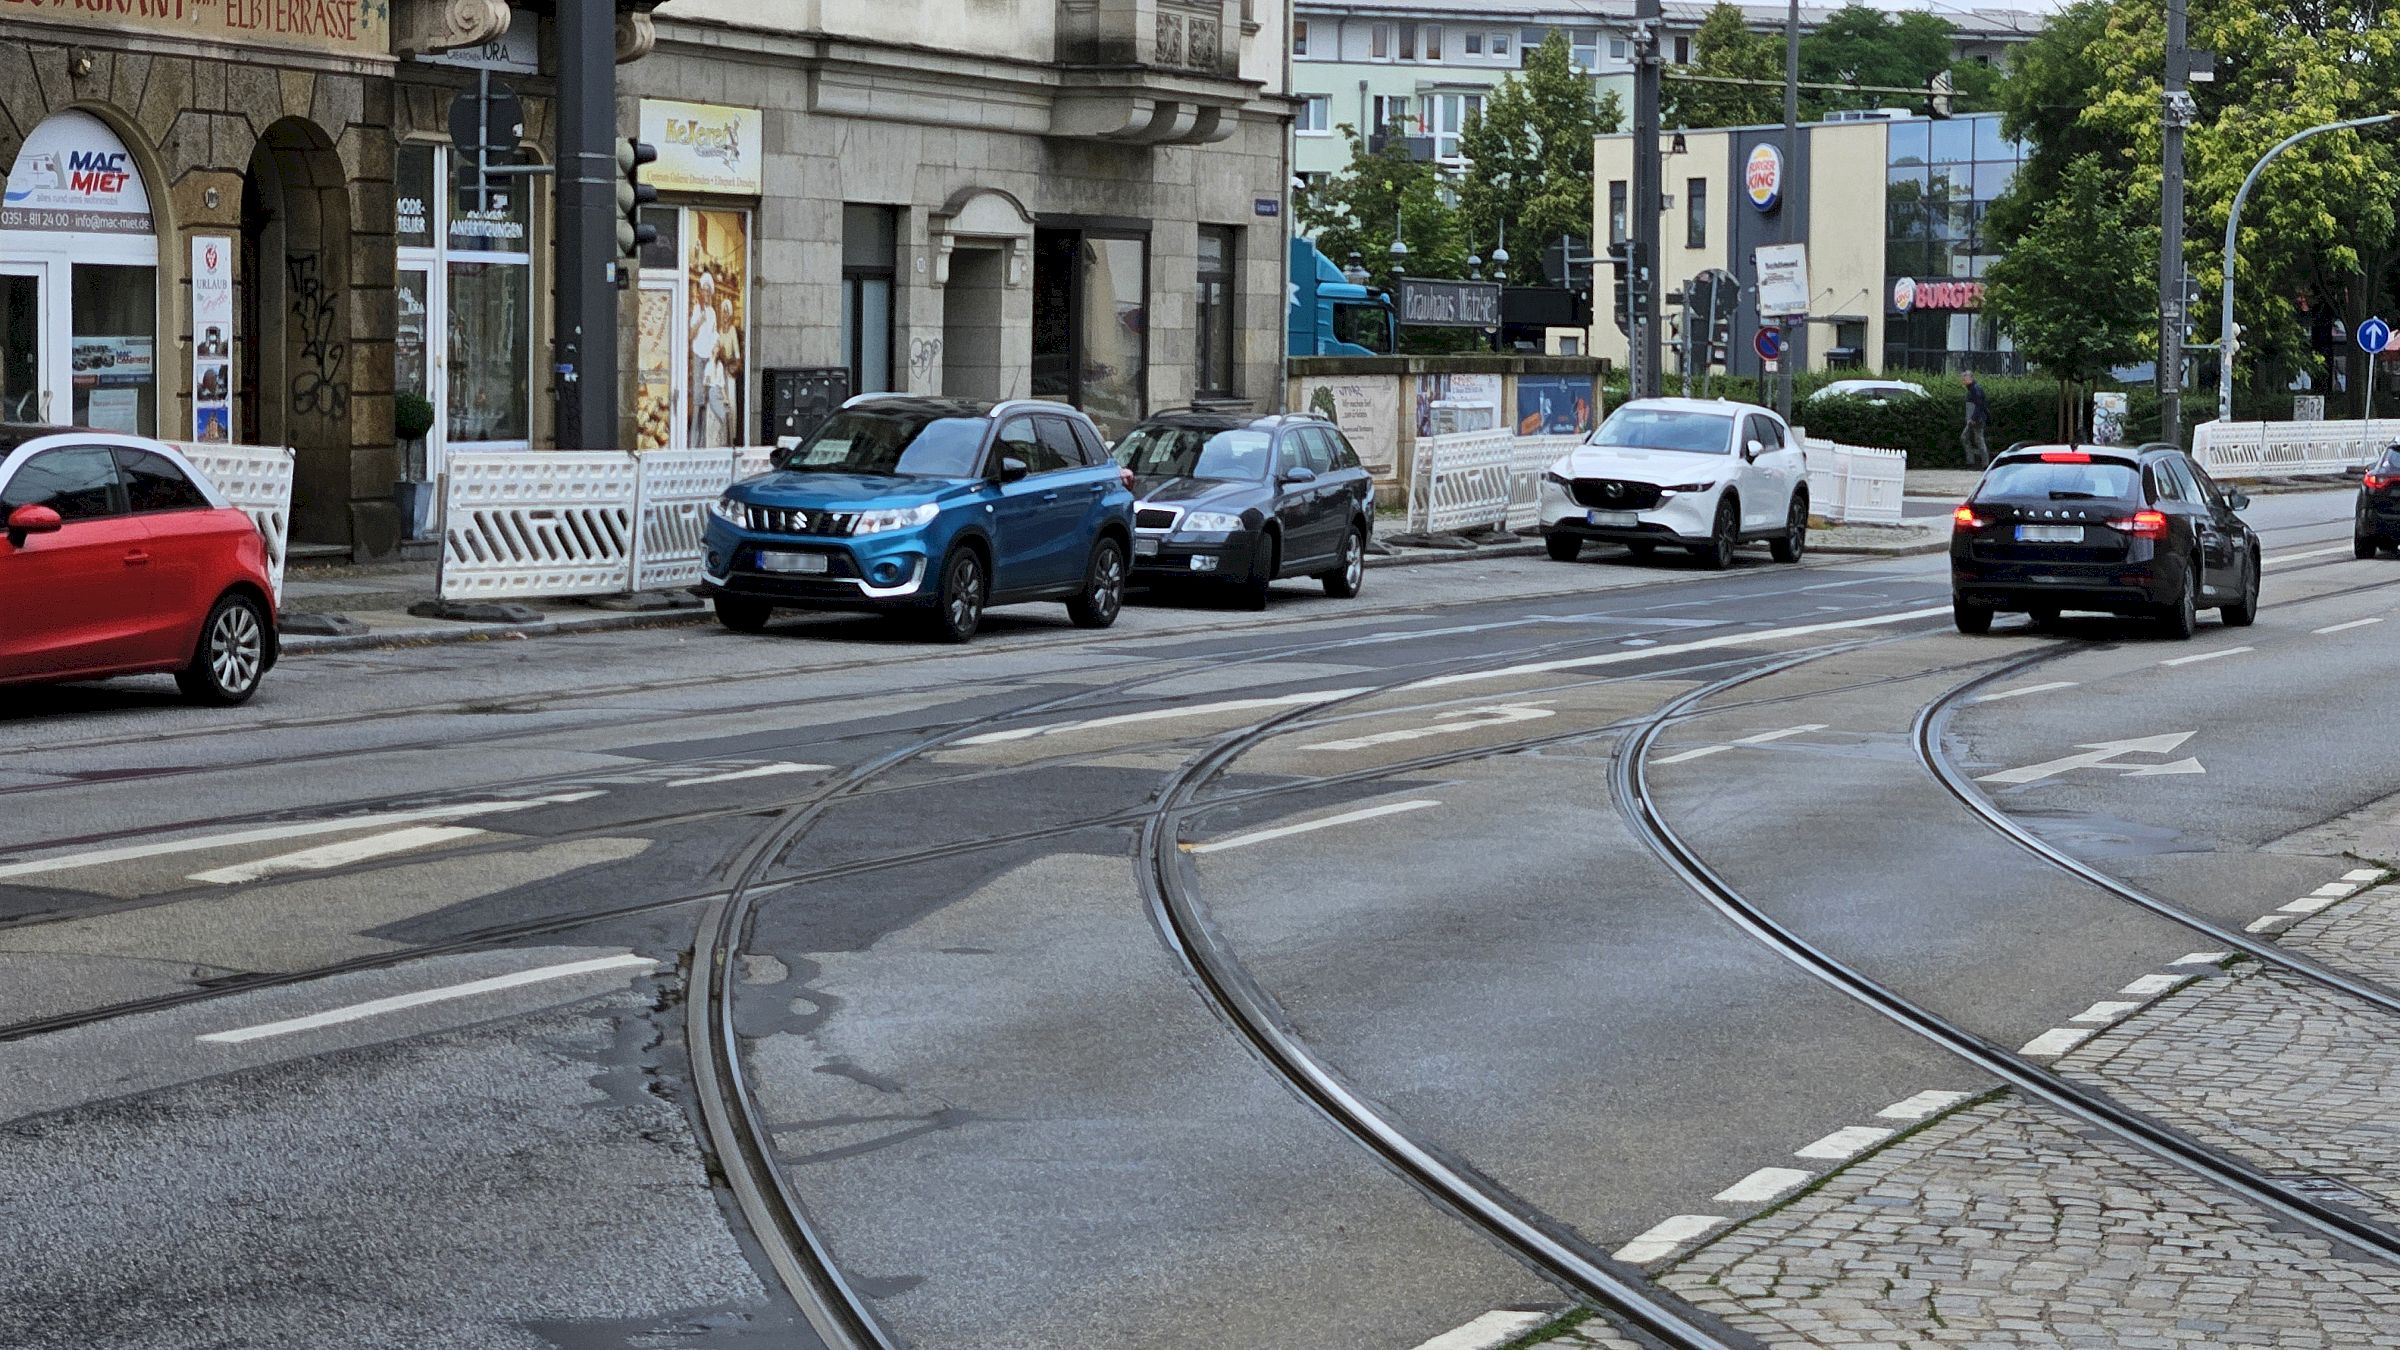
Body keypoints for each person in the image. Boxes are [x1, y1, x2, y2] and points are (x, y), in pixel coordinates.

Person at [1961, 370, 1991, 468]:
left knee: (1976, 439)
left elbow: (1979, 405)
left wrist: (1973, 418)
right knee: (1974, 439)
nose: (1963, 380)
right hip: (1975, 418)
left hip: (1976, 419)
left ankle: (1979, 462)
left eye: (1964, 378)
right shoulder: (1974, 388)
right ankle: (1977, 462)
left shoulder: (1974, 389)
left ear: (1970, 378)